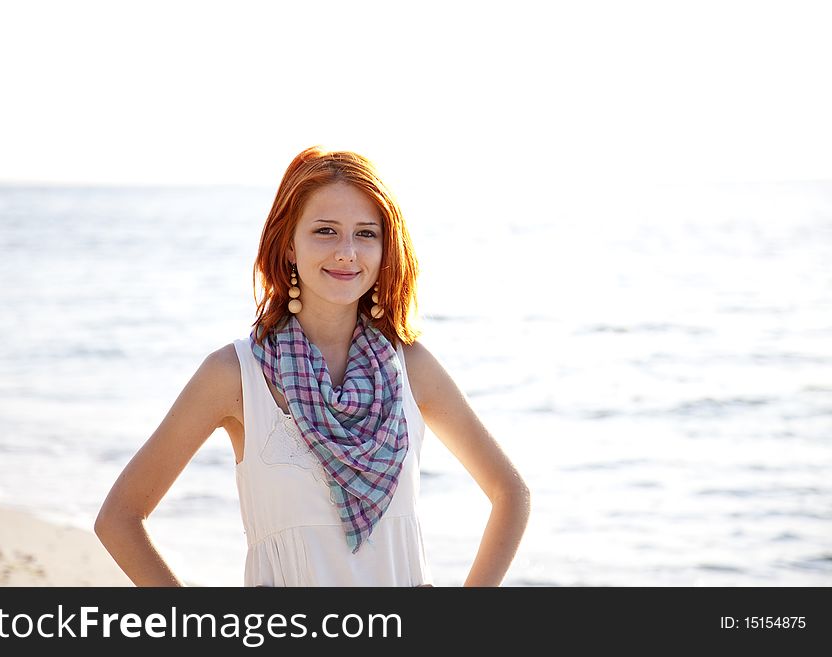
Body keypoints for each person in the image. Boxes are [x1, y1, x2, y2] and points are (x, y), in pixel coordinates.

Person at [94, 146, 531, 586]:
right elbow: (120, 518)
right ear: (288, 246)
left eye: (365, 234)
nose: (347, 252)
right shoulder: (234, 374)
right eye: (325, 231)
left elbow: (511, 493)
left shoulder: (411, 366)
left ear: (385, 248)